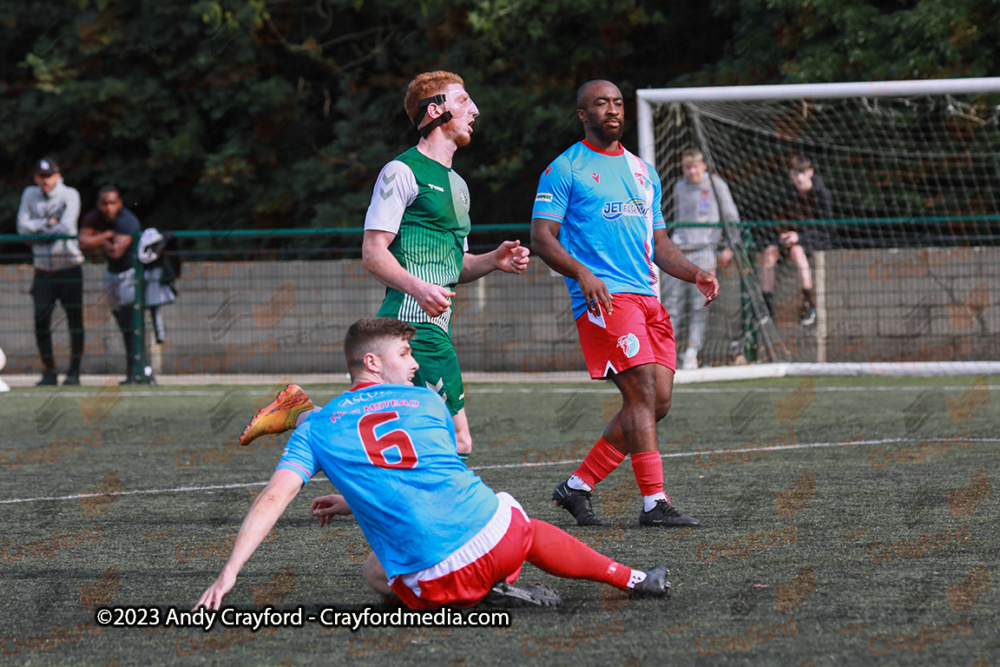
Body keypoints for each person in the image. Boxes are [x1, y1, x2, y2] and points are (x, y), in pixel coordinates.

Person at [194, 318, 670, 612]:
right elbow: (426, 472)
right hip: (502, 537)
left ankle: (478, 597)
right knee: (514, 518)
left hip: (442, 578)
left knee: (376, 574)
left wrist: (229, 573)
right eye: (405, 353)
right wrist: (352, 495)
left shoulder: (319, 432)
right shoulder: (427, 402)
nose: (416, 364)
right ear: (372, 363)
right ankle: (633, 578)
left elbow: (274, 497)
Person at [238, 71, 530, 462]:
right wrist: (420, 288)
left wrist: (494, 260)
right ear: (435, 111)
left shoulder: (459, 185)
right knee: (455, 442)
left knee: (402, 434)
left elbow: (454, 266)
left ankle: (305, 415)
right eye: (462, 102)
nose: (474, 110)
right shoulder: (401, 171)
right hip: (415, 325)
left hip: (432, 324)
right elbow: (374, 252)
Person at [530, 80, 719, 529]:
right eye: (601, 103)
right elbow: (541, 238)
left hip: (647, 298)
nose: (612, 109)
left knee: (660, 403)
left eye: (617, 102)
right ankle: (654, 503)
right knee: (641, 395)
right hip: (605, 300)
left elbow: (660, 244)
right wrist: (583, 273)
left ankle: (576, 488)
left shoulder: (642, 171)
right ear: (583, 114)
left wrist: (695, 273)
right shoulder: (564, 169)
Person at [664, 148, 740, 370]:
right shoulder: (679, 187)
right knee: (671, 304)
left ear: (704, 166)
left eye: (695, 166)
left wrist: (729, 246)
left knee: (700, 304)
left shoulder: (716, 185)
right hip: (679, 251)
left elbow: (731, 217)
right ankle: (669, 352)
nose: (692, 171)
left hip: (705, 250)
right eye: (687, 167)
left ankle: (692, 352)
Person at [16, 158, 84, 386]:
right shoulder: (29, 194)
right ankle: (49, 372)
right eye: (40, 176)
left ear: (57, 175)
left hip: (68, 267)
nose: (44, 180)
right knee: (40, 320)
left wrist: (37, 231)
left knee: (75, 321)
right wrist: (47, 224)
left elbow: (66, 226)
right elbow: (21, 226)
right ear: (35, 177)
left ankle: (74, 372)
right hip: (43, 270)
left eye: (48, 176)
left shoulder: (70, 194)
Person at [79, 186, 144, 384]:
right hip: (111, 275)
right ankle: (133, 372)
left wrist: (99, 240)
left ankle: (138, 371)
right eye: (104, 203)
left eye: (113, 203)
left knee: (131, 324)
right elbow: (82, 242)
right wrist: (106, 236)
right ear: (99, 205)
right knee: (123, 324)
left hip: (129, 274)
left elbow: (116, 251)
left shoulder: (127, 220)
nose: (109, 207)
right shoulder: (94, 217)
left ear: (120, 203)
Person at [760, 155, 834, 327]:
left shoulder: (822, 194)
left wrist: (799, 237)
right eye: (795, 173)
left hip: (815, 238)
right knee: (769, 253)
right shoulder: (788, 194)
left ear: (810, 172)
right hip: (791, 238)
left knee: (797, 251)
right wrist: (784, 235)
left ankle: (809, 304)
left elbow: (827, 227)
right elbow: (781, 220)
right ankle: (766, 307)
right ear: (790, 175)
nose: (799, 177)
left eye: (802, 173)